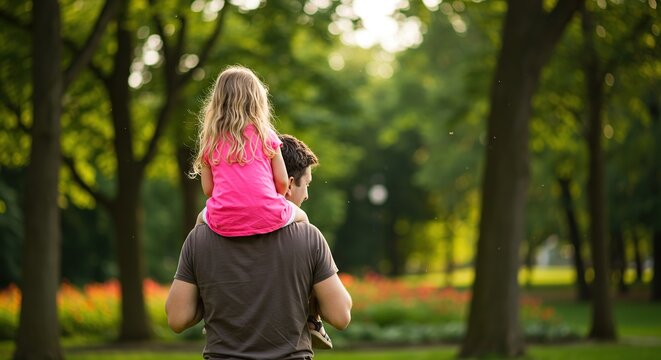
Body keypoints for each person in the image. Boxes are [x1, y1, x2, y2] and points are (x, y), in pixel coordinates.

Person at [166, 134, 352, 359]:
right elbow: (341, 315)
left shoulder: (199, 238)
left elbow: (177, 318)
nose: (307, 195)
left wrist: (210, 303)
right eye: (307, 185)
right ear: (289, 184)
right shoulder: (309, 237)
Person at [189, 65, 308, 238]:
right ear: (257, 102)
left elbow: (208, 189)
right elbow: (282, 182)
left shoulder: (211, 141)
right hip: (268, 213)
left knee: (200, 222)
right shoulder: (266, 135)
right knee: (303, 218)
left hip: (224, 219)